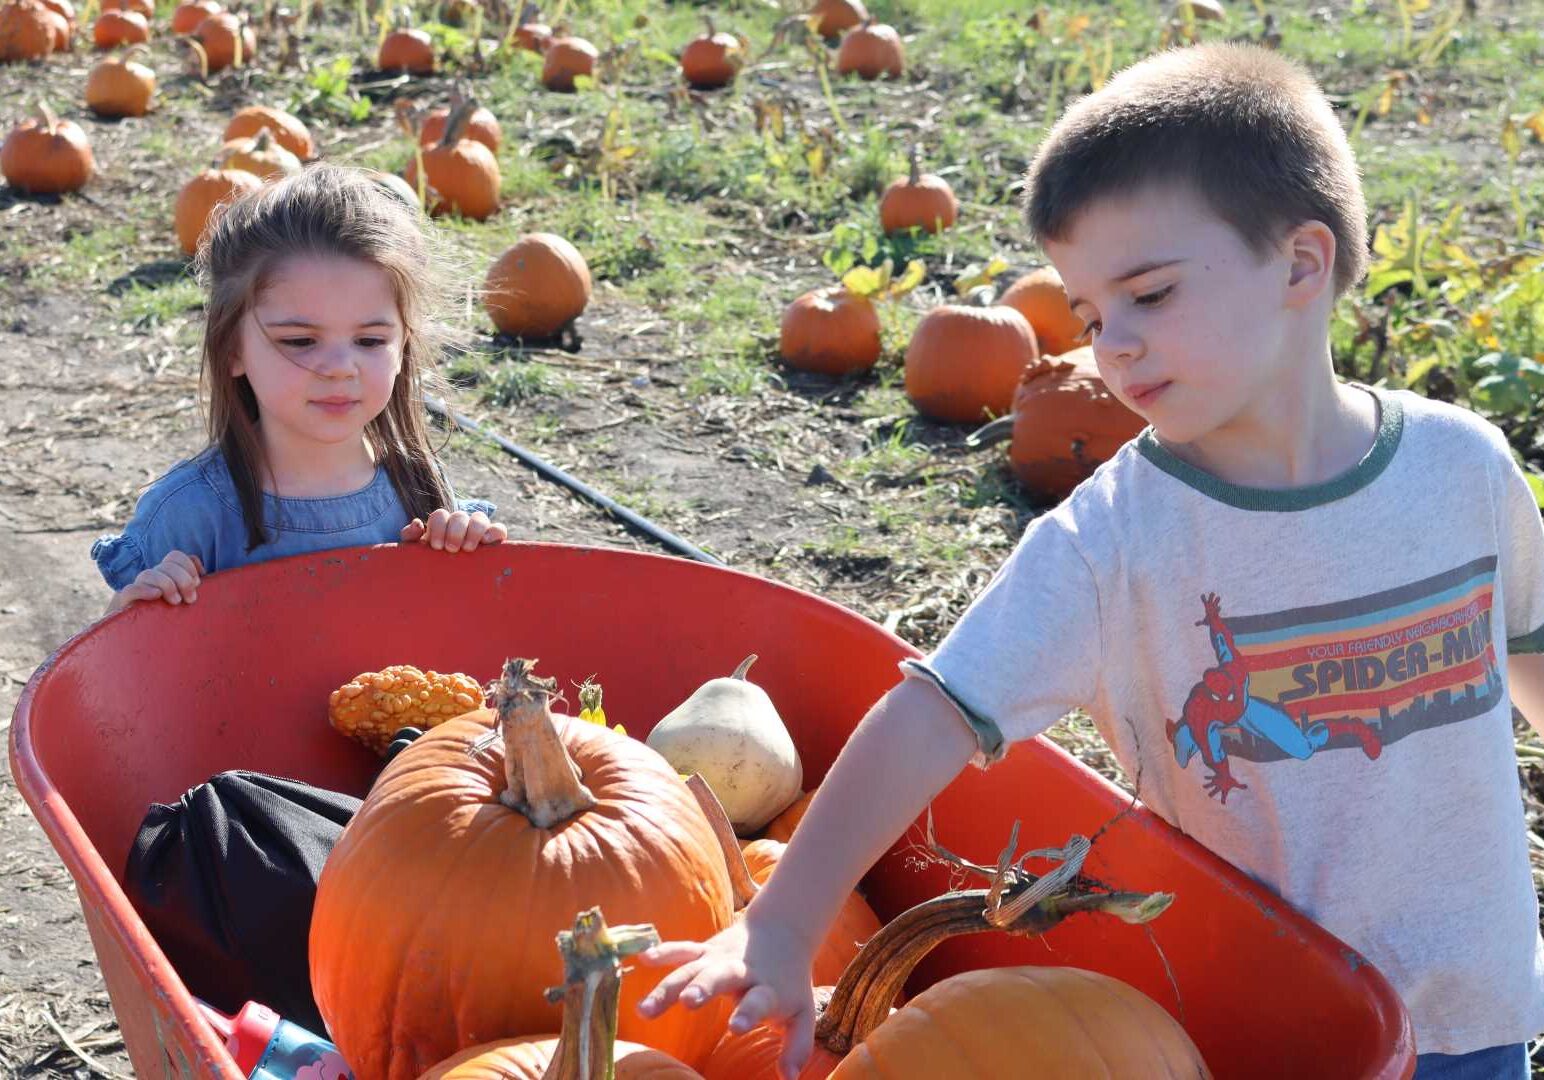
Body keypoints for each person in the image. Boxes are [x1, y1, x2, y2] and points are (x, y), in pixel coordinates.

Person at [635, 41, 1544, 1079]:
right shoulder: (1115, 537)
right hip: (1258, 1026)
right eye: (1091, 315)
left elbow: (1528, 654)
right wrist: (785, 924)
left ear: (1300, 263)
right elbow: (934, 711)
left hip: (1476, 1010)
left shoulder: (1457, 469)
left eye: (1149, 296)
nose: (1112, 346)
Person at [91, 164, 508, 618]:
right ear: (232, 348)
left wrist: (467, 560)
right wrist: (133, 609)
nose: (338, 368)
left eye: (369, 341)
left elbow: (454, 639)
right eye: (300, 341)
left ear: (402, 344)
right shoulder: (191, 513)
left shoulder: (419, 488)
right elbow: (115, 669)